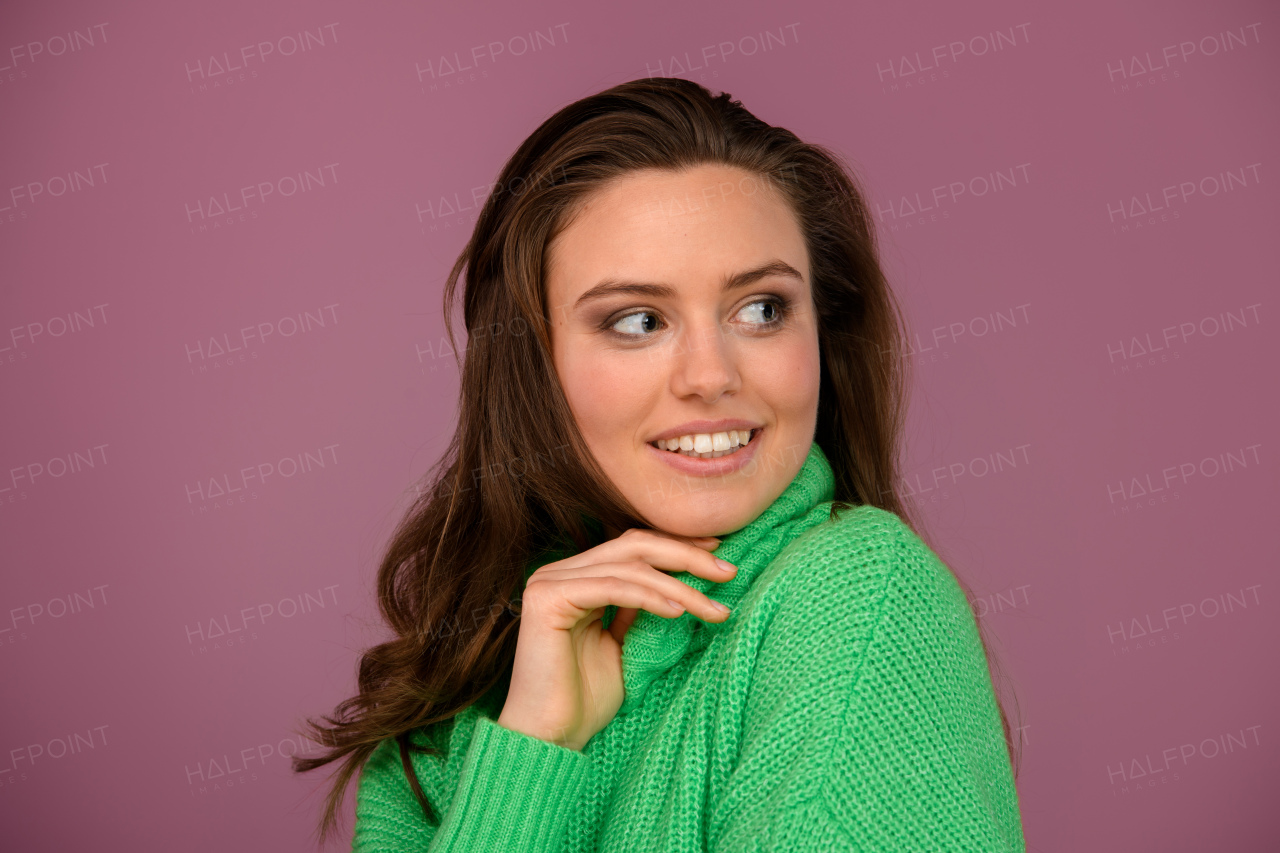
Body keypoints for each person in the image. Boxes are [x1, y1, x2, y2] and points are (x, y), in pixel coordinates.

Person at [294, 76, 1026, 851]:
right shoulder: (462, 690)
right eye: (639, 321)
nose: (710, 375)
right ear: (532, 365)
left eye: (762, 309)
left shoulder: (860, 599)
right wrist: (532, 747)